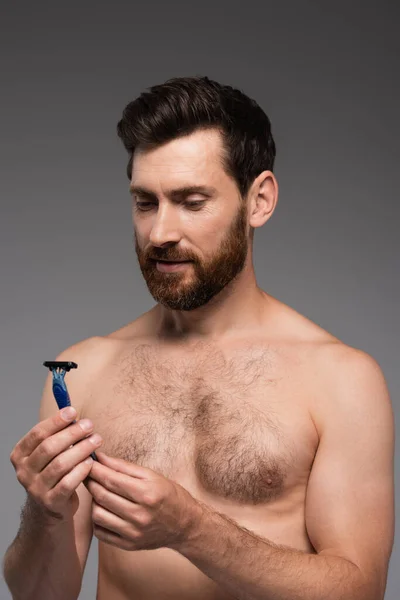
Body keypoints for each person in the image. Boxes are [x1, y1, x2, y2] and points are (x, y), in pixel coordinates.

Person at [3, 76, 395, 600]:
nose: (160, 231)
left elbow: (360, 590)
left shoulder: (342, 380)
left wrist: (191, 529)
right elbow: (38, 595)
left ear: (259, 201)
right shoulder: (84, 371)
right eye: (146, 202)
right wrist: (41, 511)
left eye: (191, 202)